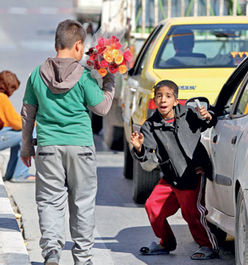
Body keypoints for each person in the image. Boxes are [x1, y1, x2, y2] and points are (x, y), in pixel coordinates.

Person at [20, 19, 115, 265]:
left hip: (48, 147)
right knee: (82, 202)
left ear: (55, 44)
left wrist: (26, 146)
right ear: (79, 46)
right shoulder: (83, 76)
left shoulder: (36, 74)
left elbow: (28, 112)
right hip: (81, 147)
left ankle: (52, 251)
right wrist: (109, 81)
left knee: (50, 201)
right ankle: (82, 258)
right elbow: (102, 108)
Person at [130, 80, 219, 260]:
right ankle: (166, 243)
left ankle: (208, 245)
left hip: (193, 173)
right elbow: (147, 155)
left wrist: (208, 115)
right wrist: (139, 148)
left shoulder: (188, 115)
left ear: (176, 101)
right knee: (153, 206)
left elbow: (208, 122)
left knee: (191, 212)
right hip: (171, 176)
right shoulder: (150, 125)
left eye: (168, 96)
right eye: (159, 96)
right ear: (154, 99)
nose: (163, 100)